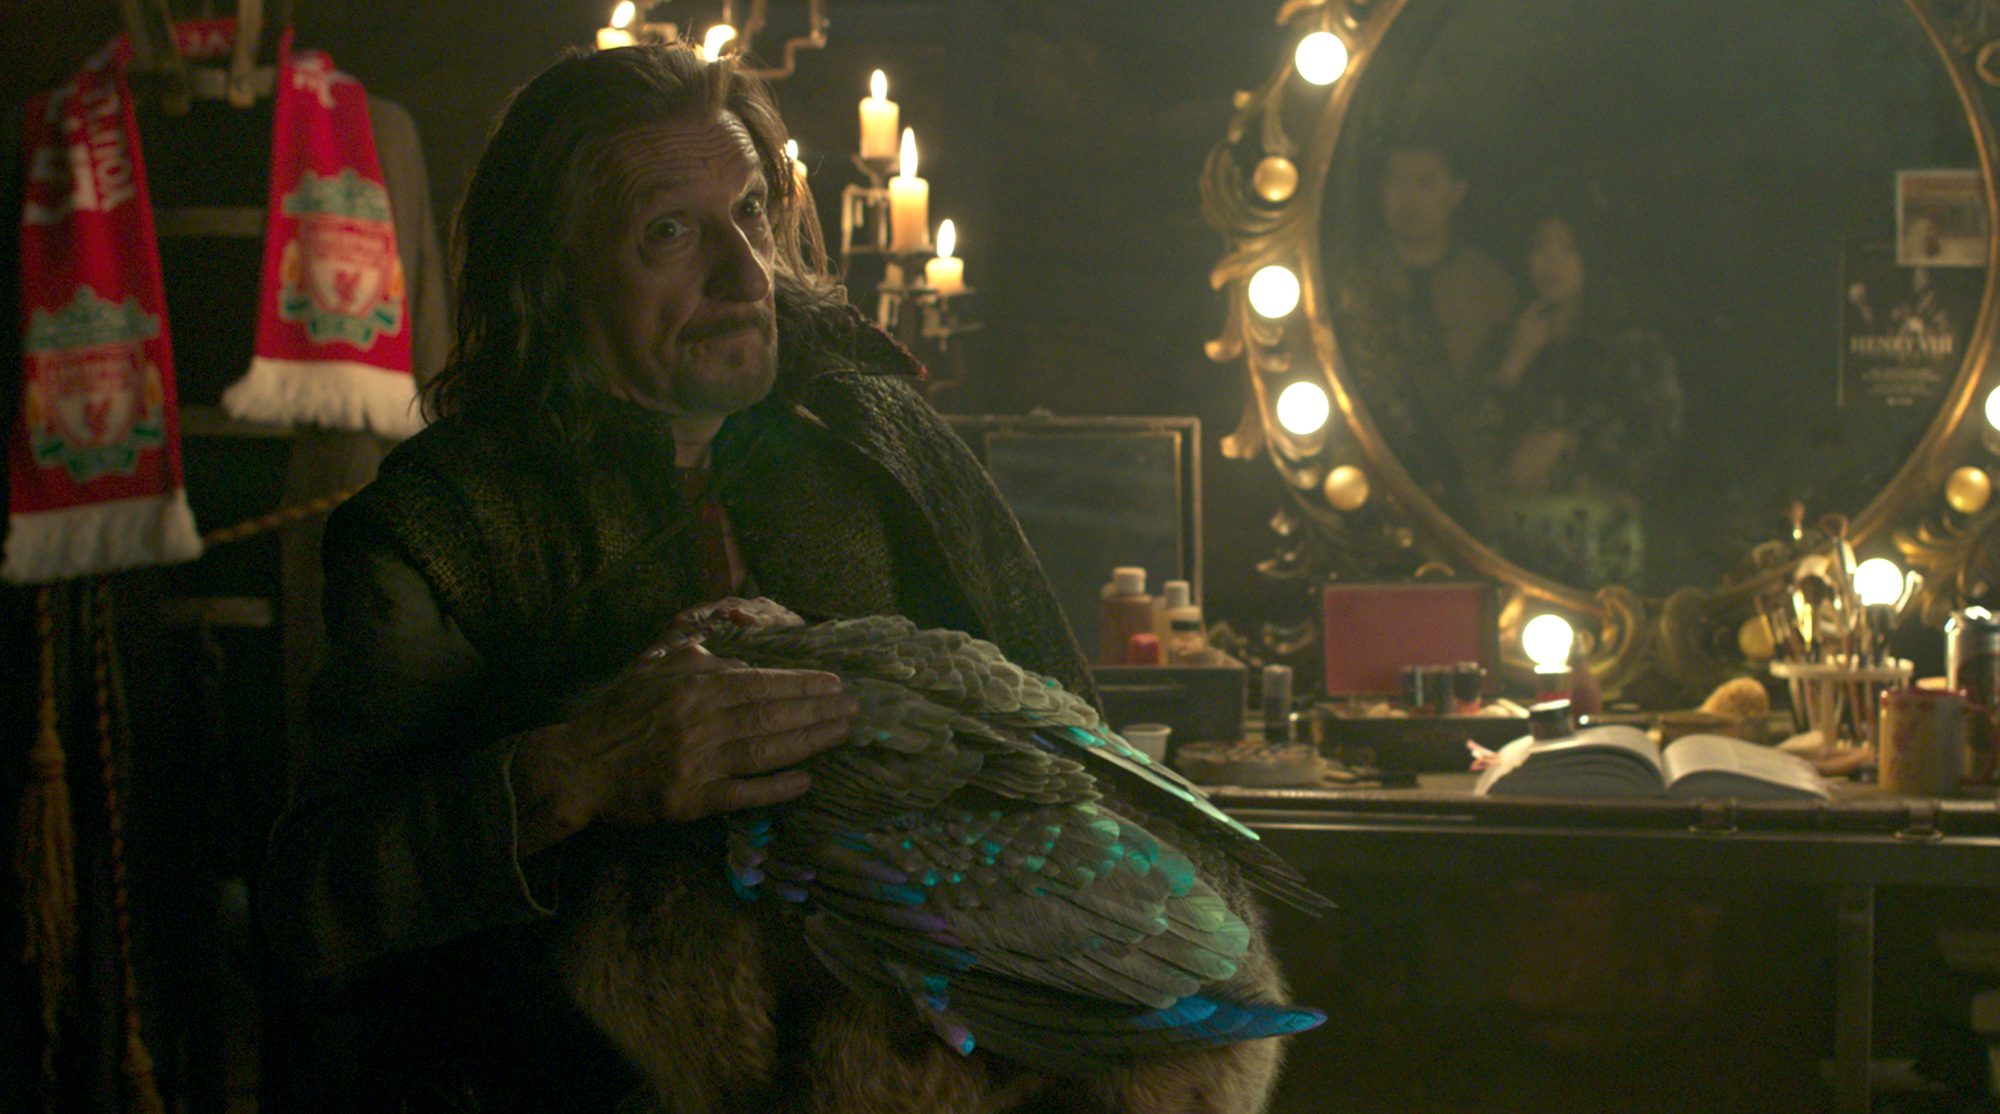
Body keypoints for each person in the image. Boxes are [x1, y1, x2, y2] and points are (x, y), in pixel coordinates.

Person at [257, 45, 1292, 1113]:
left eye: (750, 213)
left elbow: (1082, 783)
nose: (745, 275)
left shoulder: (881, 446)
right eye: (669, 232)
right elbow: (313, 907)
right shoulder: (452, 518)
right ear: (554, 271)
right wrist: (570, 770)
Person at [1469, 211, 1683, 587]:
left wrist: (1566, 445)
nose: (1551, 263)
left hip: (1603, 549)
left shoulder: (1630, 347)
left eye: (1567, 249)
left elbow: (1657, 442)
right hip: (1513, 550)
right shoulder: (1507, 340)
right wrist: (1513, 364)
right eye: (1540, 247)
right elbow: (1473, 444)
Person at [1333, 138, 1518, 506]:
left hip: (1476, 481)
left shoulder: (1490, 287)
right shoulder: (1350, 284)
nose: (1409, 199)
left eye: (1425, 183)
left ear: (1456, 193)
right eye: (1396, 182)